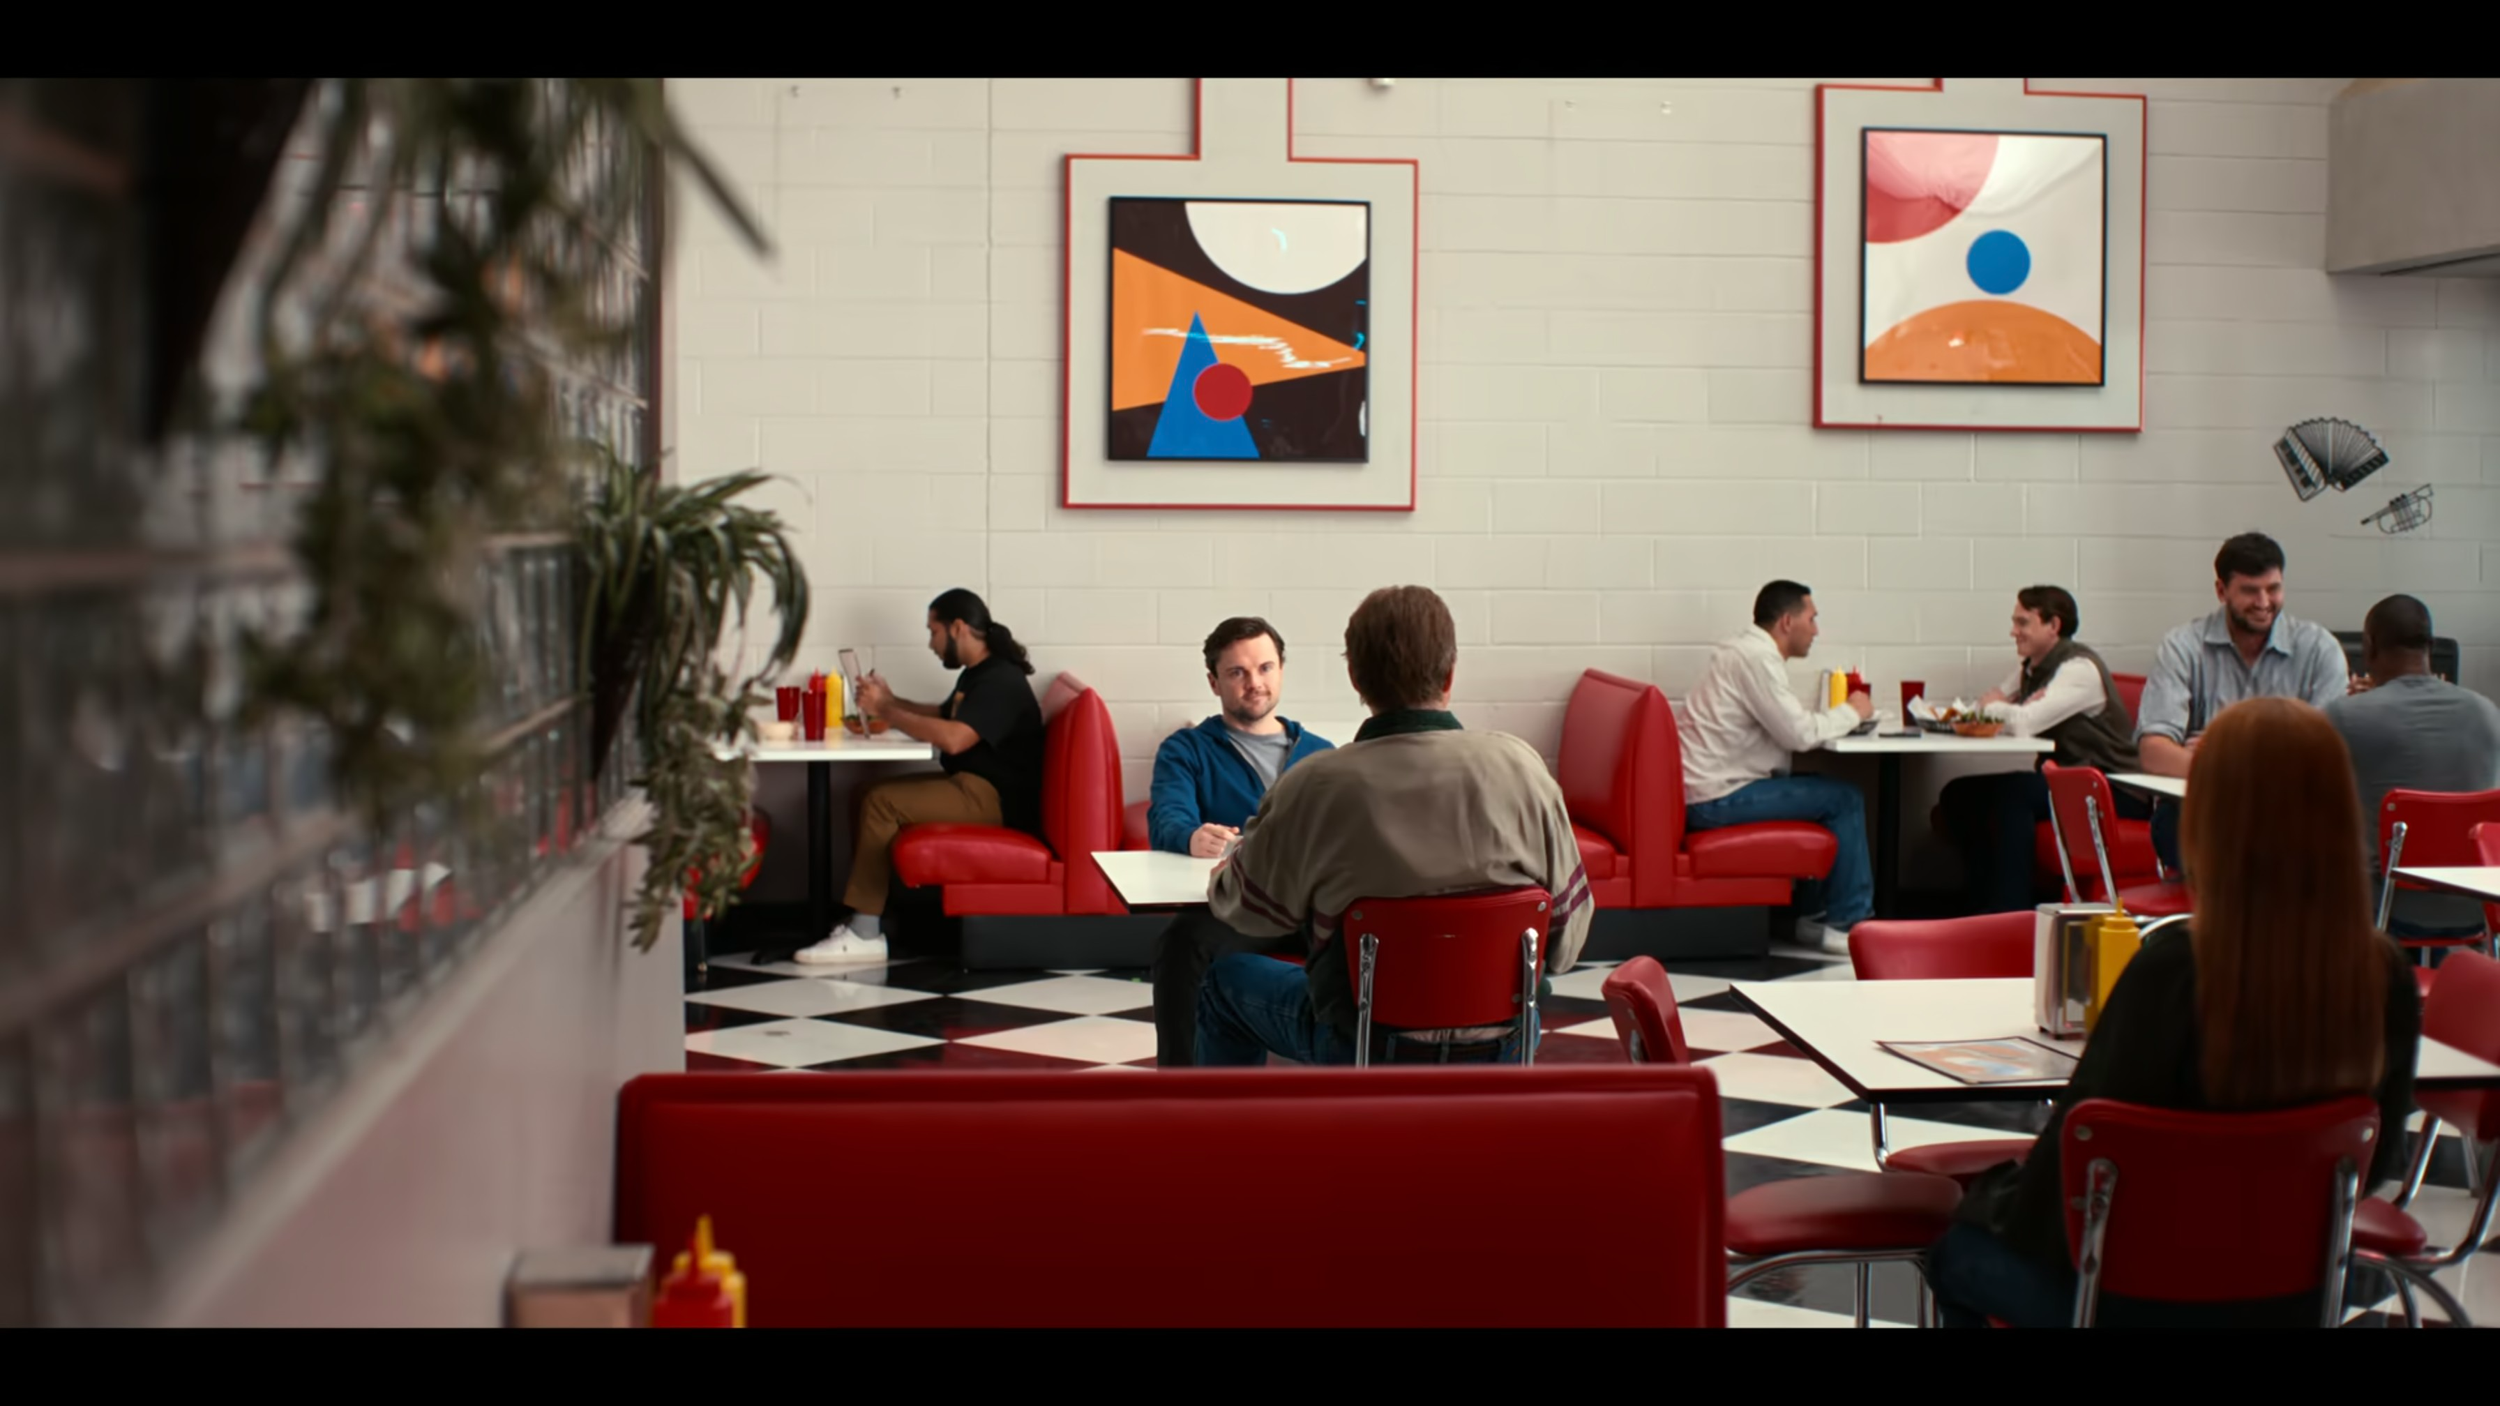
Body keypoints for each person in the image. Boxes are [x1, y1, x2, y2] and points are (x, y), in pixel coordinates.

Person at [1927, 698, 2420, 1328]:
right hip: (2295, 1295)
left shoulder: (2177, 964)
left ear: (2211, 818)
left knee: (1957, 1254)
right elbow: (2381, 1159)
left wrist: (1988, 1196)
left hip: (2131, 1297)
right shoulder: (2385, 974)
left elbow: (2072, 1168)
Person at [1190, 585, 1592, 1066]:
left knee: (1224, 981)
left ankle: (1221, 1140)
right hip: (1505, 1043)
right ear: (1450, 673)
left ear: (1356, 677)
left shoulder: (1314, 784)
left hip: (1364, 1041)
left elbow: (1250, 913)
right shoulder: (1523, 769)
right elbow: (1567, 941)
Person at [793, 589, 1045, 964]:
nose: (931, 643)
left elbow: (955, 739)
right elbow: (942, 715)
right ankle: (876, 915)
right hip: (972, 787)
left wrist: (888, 712)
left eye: (934, 631)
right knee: (865, 793)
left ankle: (865, 934)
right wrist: (889, 702)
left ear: (957, 628)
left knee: (882, 803)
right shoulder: (977, 675)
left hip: (993, 799)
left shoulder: (1000, 681)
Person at [1144, 617, 1335, 1065]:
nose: (1255, 683)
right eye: (1237, 672)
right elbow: (1166, 818)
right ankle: (1181, 1094)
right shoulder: (1187, 749)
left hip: (1317, 911)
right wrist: (1191, 836)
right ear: (1214, 682)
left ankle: (1371, 1082)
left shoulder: (1323, 755)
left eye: (1266, 668)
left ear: (1282, 671)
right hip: (1239, 908)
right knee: (1179, 946)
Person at [2136, 532, 2349, 872]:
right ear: (2222, 591)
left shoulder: (2319, 648)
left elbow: (2324, 754)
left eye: (2273, 588)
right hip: (2199, 812)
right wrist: (2270, 760)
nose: (2264, 602)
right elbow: (2154, 752)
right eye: (2250, 590)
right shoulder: (2183, 646)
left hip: (2290, 812)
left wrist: (2222, 753)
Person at [1680, 580, 1874, 953]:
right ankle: (1848, 924)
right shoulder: (1756, 658)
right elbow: (1798, 734)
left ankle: (1813, 916)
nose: (1816, 630)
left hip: (1711, 788)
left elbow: (1788, 725)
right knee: (1844, 798)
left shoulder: (1742, 651)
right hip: (1715, 798)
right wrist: (1853, 711)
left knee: (1825, 790)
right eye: (1812, 619)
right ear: (1787, 621)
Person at [1938, 586, 2150, 914]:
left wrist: (2004, 709)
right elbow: (1986, 708)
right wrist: (2005, 709)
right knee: (1959, 795)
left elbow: (2020, 722)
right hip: (2068, 780)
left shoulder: (2079, 669)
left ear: (2054, 625)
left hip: (2112, 788)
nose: (2013, 631)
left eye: (2023, 623)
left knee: (2014, 796)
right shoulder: (2032, 667)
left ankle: (2011, 913)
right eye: (2014, 622)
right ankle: (1978, 906)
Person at [2324, 594, 2500, 941]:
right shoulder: (2487, 714)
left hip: (2386, 912)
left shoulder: (2345, 718)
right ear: (2430, 646)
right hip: (2478, 910)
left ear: (2370, 646)